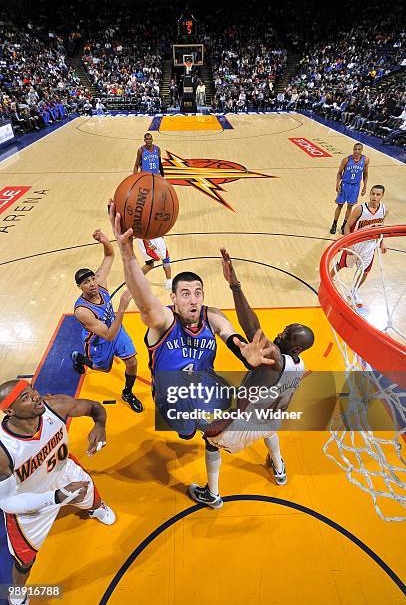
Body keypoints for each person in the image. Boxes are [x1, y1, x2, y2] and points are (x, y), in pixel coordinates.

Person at [108, 204, 276, 439]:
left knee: (227, 397)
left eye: (198, 293)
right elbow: (145, 302)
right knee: (186, 433)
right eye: (186, 294)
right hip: (172, 394)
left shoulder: (212, 316)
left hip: (202, 384)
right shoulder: (165, 320)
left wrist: (244, 355)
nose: (193, 299)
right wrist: (127, 254)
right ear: (173, 299)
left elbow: (231, 336)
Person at [188, 249, 315, 509]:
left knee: (209, 441)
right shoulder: (300, 365)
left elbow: (252, 329)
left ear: (296, 348)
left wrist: (235, 286)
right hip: (271, 420)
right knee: (269, 431)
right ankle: (279, 469)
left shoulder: (275, 360)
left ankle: (212, 494)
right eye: (284, 329)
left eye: (287, 334)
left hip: (242, 427)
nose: (280, 334)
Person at [0, 380, 115, 604]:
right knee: (24, 561)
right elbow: (5, 502)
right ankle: (19, 595)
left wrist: (100, 425)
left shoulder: (56, 406)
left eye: (32, 389)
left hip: (64, 472)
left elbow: (94, 408)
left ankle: (95, 508)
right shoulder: (4, 452)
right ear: (10, 411)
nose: (35, 396)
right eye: (25, 397)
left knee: (90, 493)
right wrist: (56, 497)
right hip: (30, 499)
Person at [71, 229, 143, 413]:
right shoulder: (83, 311)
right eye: (86, 282)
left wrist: (104, 240)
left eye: (92, 278)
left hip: (115, 329)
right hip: (100, 340)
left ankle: (127, 392)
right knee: (102, 368)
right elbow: (108, 336)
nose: (92, 283)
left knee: (132, 362)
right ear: (80, 287)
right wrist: (121, 308)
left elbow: (110, 255)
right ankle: (79, 358)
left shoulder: (100, 283)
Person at [330, 185, 388, 309]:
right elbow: (346, 226)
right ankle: (327, 280)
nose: (374, 197)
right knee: (341, 265)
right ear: (370, 194)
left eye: (378, 195)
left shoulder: (384, 210)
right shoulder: (360, 209)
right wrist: (349, 244)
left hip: (370, 244)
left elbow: (380, 227)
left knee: (365, 271)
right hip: (356, 242)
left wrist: (382, 242)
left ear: (382, 196)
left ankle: (354, 290)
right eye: (373, 194)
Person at [330, 143, 369, 235]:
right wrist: (337, 184)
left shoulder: (366, 160)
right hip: (345, 185)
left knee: (350, 206)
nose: (357, 151)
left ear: (361, 150)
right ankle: (334, 224)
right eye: (355, 149)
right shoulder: (346, 160)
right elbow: (339, 173)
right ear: (353, 150)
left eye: (359, 149)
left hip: (355, 186)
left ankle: (344, 225)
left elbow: (366, 173)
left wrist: (365, 186)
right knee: (340, 205)